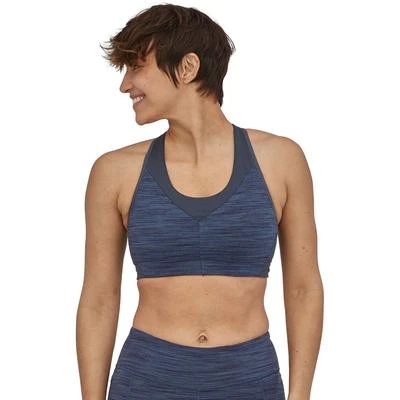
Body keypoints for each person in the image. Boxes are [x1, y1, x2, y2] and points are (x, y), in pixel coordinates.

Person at [76, 3, 324, 400]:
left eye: (136, 67)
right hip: (146, 382)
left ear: (188, 67)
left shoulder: (281, 160)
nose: (125, 85)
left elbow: (303, 289)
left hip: (250, 383)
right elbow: (99, 299)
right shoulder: (115, 171)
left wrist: (300, 397)